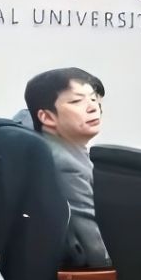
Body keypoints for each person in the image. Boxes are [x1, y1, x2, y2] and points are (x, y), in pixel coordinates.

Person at [24, 66, 110, 266]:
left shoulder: (65, 151)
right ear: (46, 117)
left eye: (93, 99)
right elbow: (95, 252)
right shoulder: (65, 164)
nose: (93, 108)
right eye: (76, 101)